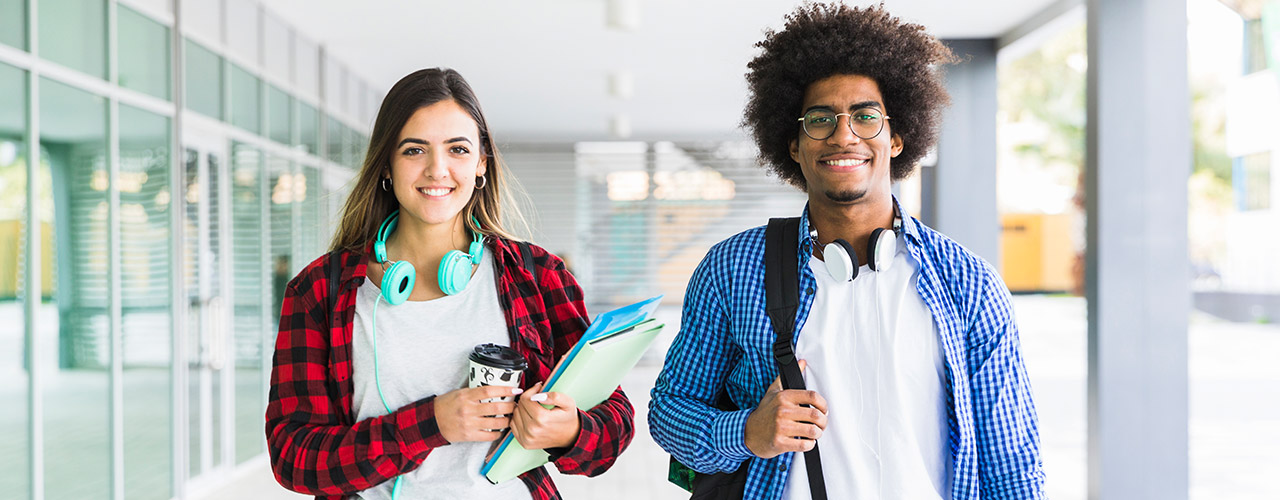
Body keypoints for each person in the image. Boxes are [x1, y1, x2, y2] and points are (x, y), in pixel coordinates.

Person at [648, 4, 1045, 499]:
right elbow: (670, 411)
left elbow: (1011, 462)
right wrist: (747, 432)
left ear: (897, 138)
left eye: (865, 115)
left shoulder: (967, 282)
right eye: (819, 119)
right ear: (793, 145)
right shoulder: (734, 268)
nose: (843, 134)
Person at [266, 68, 634, 500]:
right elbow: (293, 458)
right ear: (386, 164)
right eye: (414, 150)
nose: (437, 169)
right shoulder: (319, 291)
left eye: (458, 149)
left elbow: (615, 421)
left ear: (481, 163)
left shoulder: (538, 275)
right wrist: (433, 424)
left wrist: (570, 429)